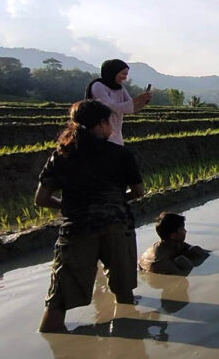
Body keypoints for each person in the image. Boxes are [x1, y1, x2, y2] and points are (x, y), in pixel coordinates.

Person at [34, 99, 145, 332]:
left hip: (77, 229)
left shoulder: (61, 156)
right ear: (102, 124)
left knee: (58, 299)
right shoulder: (120, 154)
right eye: (110, 122)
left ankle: (52, 340)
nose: (112, 127)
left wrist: (69, 206)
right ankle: (128, 341)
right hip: (117, 226)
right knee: (123, 289)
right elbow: (138, 192)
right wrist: (115, 202)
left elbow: (41, 199)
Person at [85, 59, 152, 145]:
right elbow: (111, 107)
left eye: (126, 74)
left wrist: (143, 101)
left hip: (116, 133)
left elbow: (131, 108)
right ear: (113, 72)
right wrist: (138, 99)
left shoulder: (120, 88)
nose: (125, 77)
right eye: (123, 74)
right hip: (101, 133)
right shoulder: (98, 86)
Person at [138, 212, 210, 275]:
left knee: (195, 250)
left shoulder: (174, 243)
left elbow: (204, 253)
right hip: (152, 273)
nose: (185, 231)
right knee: (182, 261)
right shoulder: (160, 261)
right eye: (182, 229)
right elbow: (181, 276)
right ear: (173, 235)